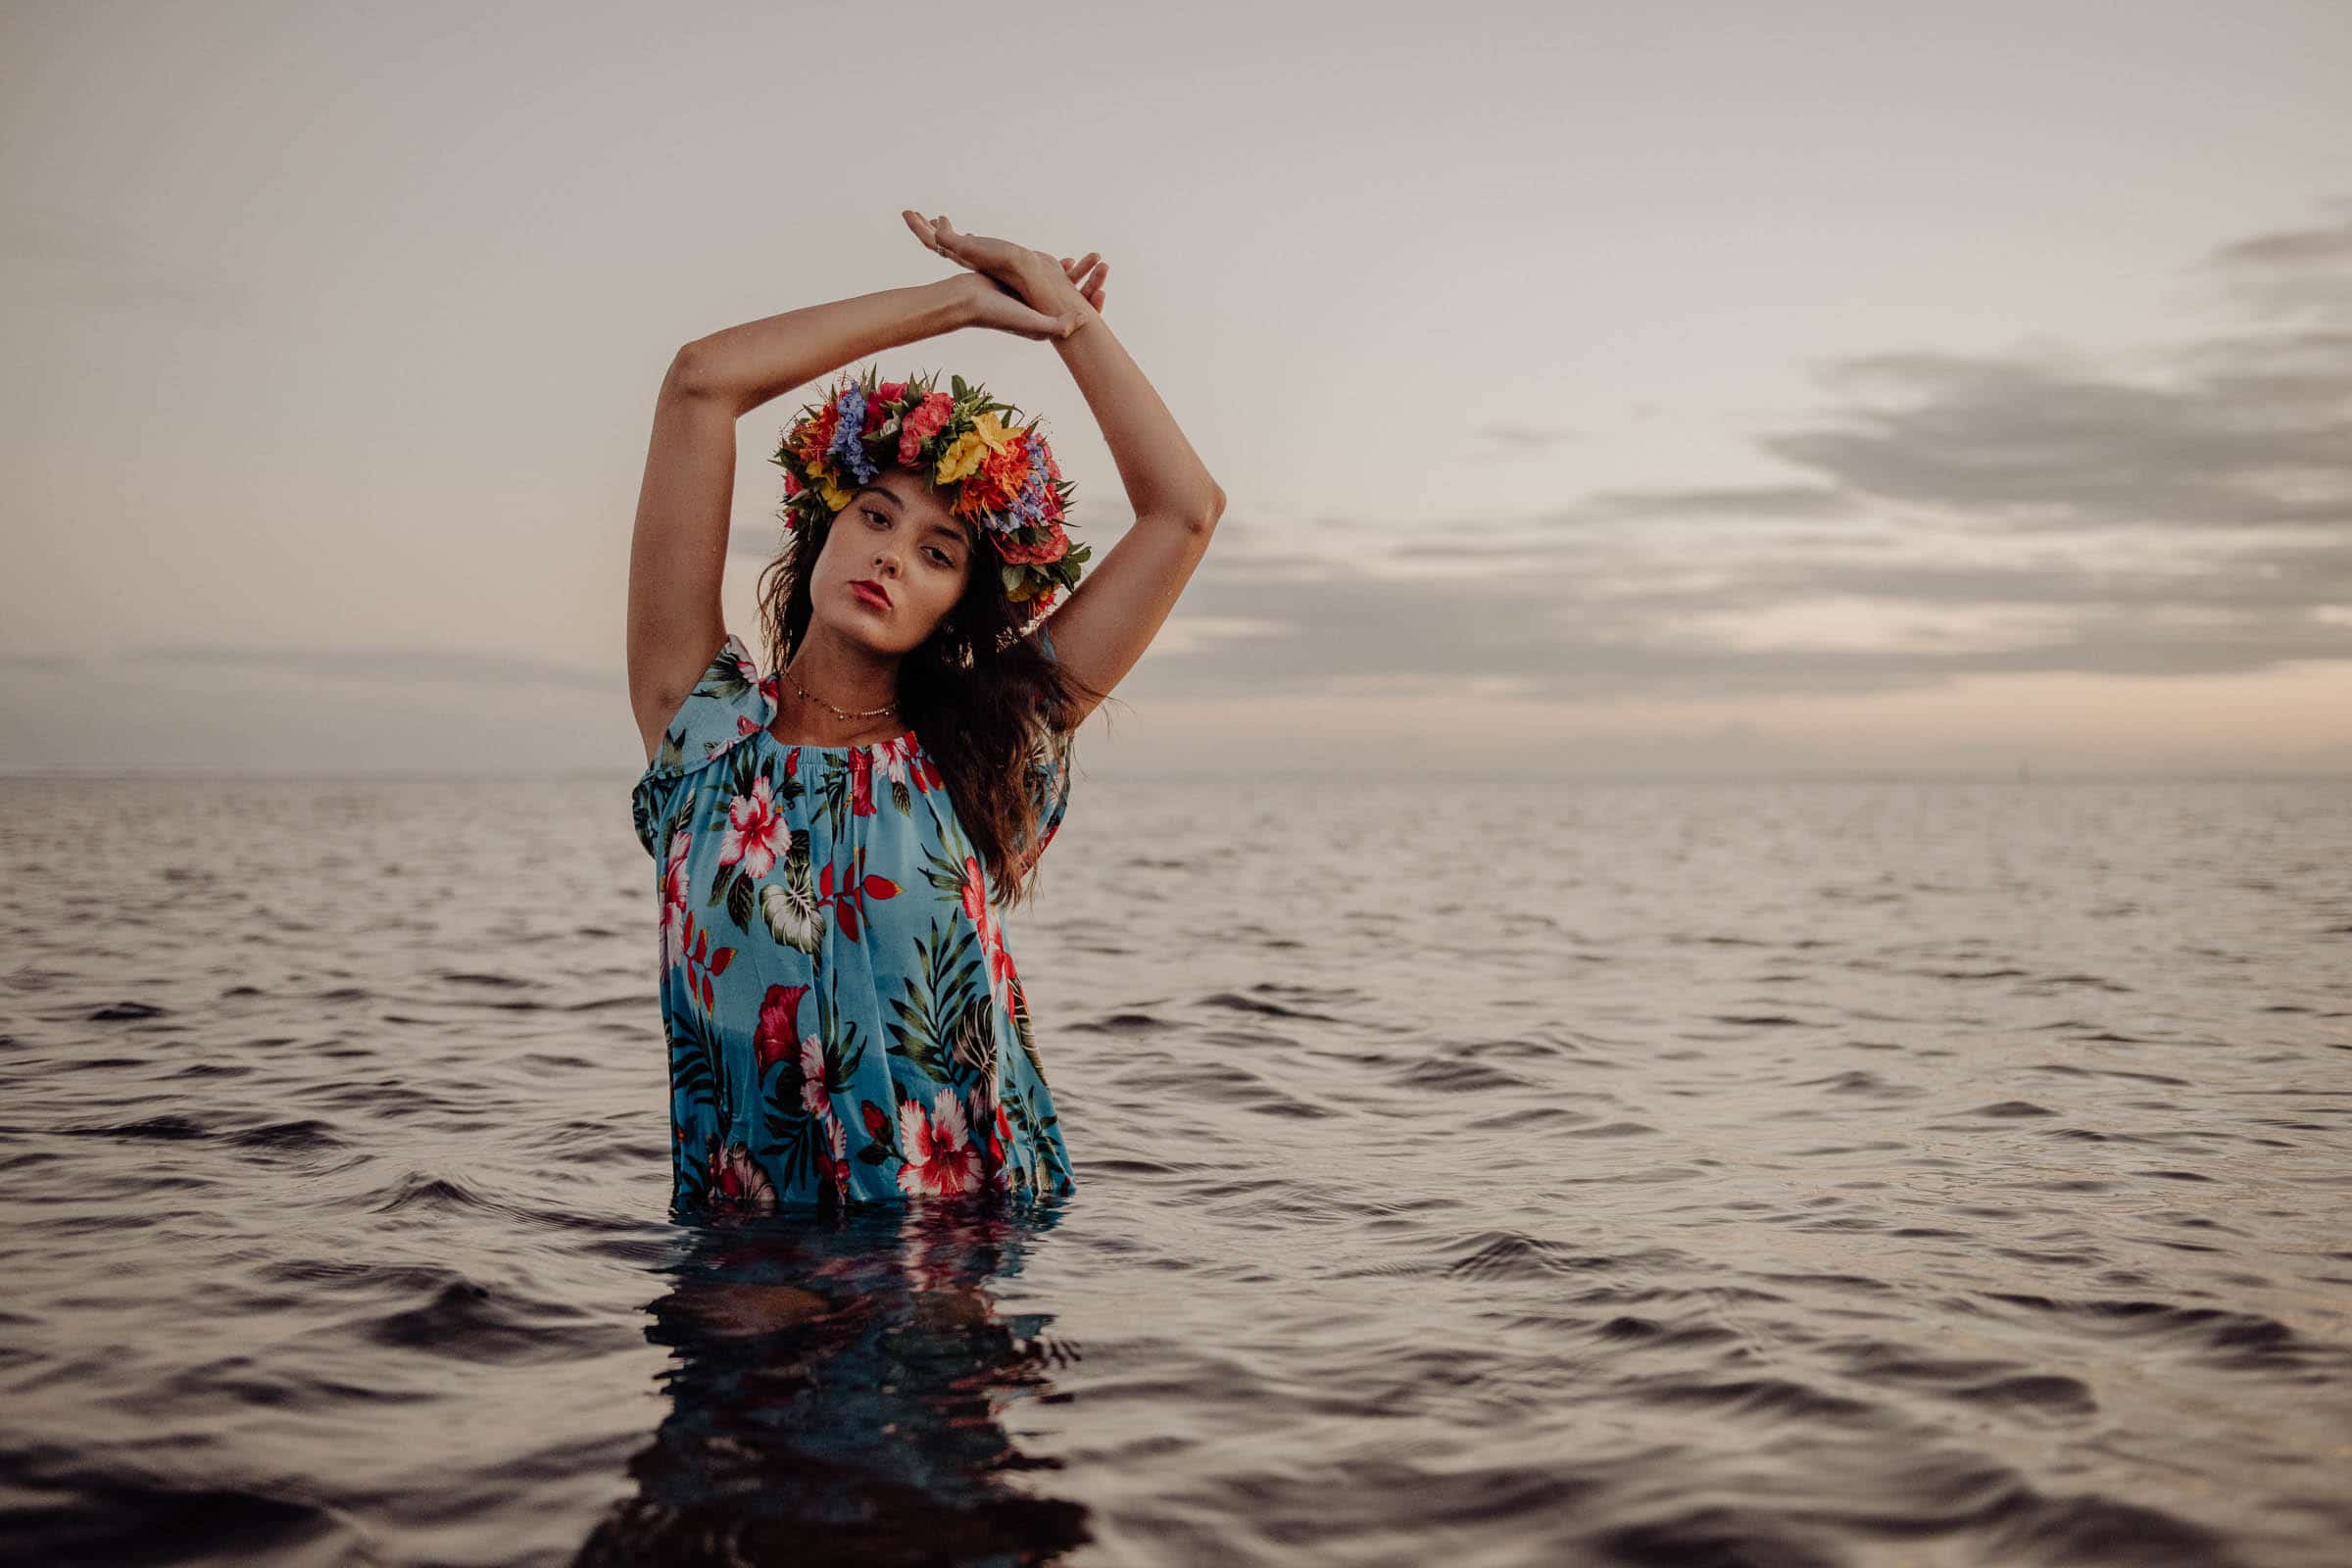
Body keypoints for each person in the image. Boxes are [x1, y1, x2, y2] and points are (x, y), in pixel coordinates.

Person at [624, 210, 1225, 1217]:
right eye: (875, 516)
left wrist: (1067, 319)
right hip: (748, 1265)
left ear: (957, 606)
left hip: (972, 1253)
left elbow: (1185, 510)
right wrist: (950, 308)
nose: (893, 555)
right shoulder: (700, 730)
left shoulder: (987, 749)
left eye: (939, 553)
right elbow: (699, 380)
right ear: (825, 529)